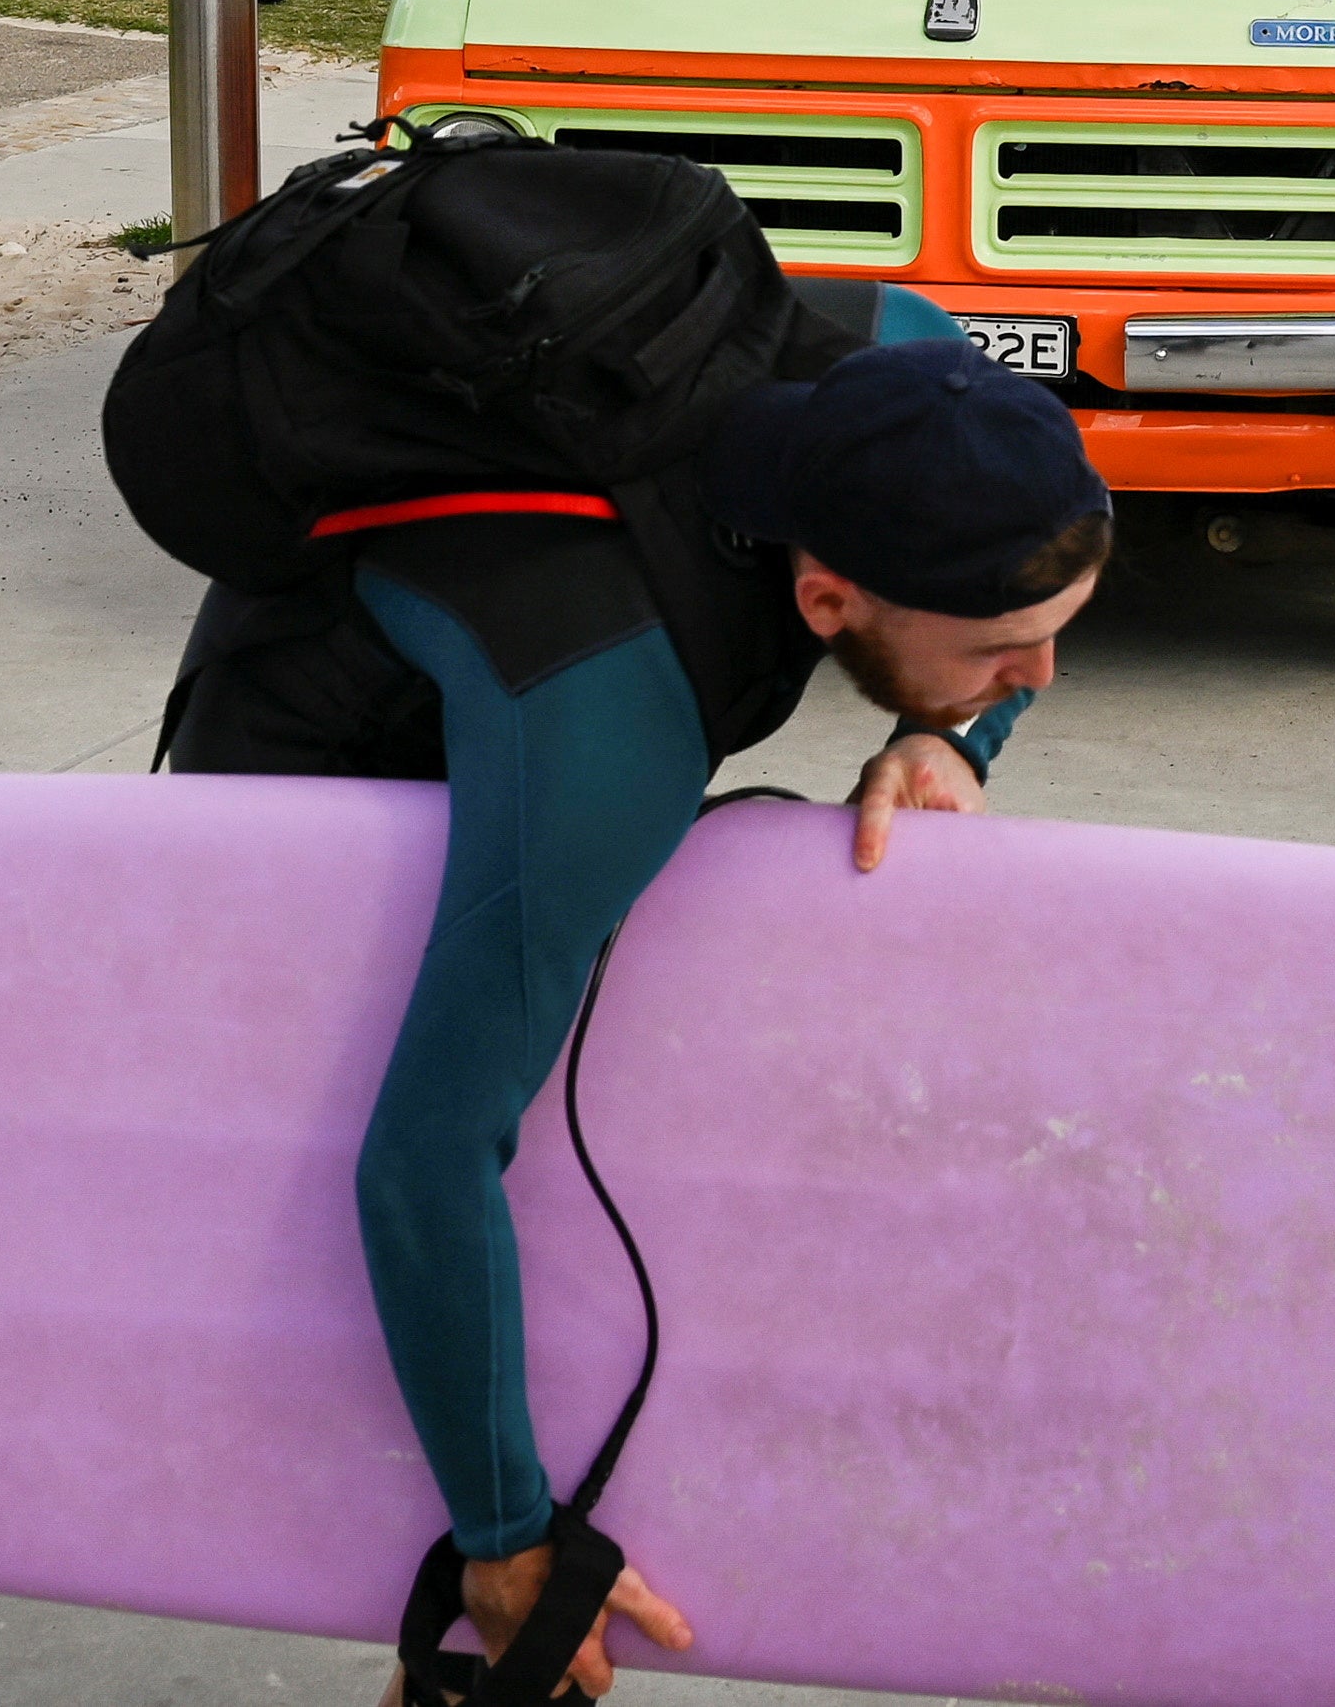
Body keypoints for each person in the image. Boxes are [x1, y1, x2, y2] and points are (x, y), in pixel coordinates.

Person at [171, 311, 1110, 1699]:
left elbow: (1035, 565)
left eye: (1054, 633)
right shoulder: (612, 728)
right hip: (315, 766)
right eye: (998, 651)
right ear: (828, 601)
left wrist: (945, 724)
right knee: (441, 1161)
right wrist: (506, 1544)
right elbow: (426, 1160)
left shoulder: (911, 380)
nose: (1039, 674)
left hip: (515, 650)